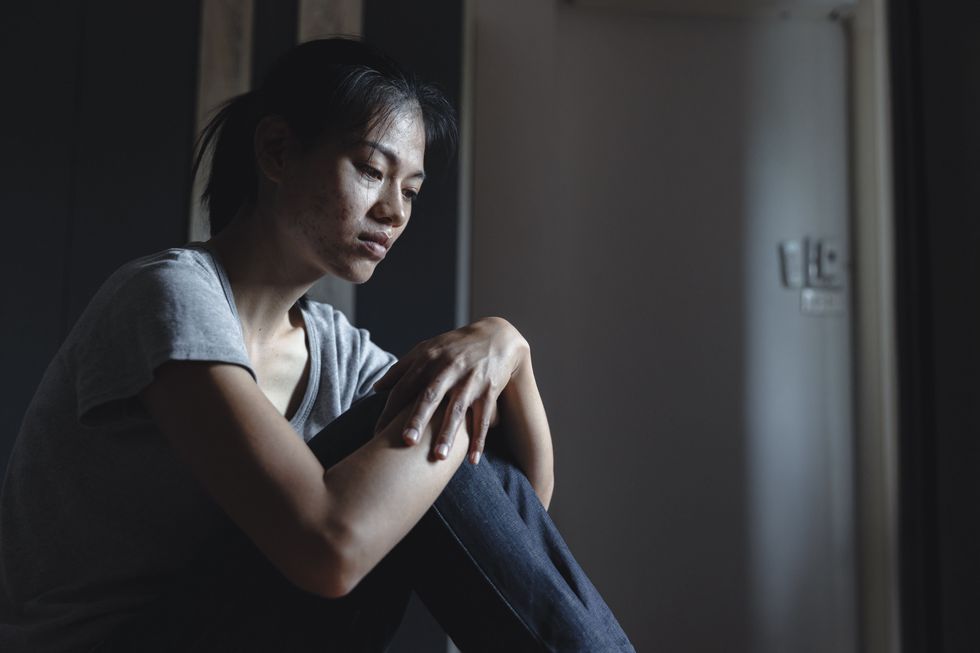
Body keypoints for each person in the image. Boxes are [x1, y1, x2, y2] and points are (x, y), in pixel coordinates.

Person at [0, 38, 634, 652]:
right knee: (432, 418)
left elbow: (509, 514)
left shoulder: (338, 353)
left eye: (410, 190)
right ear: (278, 151)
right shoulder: (166, 296)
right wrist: (467, 380)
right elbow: (326, 548)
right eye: (370, 170)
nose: (394, 211)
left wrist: (508, 350)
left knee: (441, 429)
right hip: (118, 641)